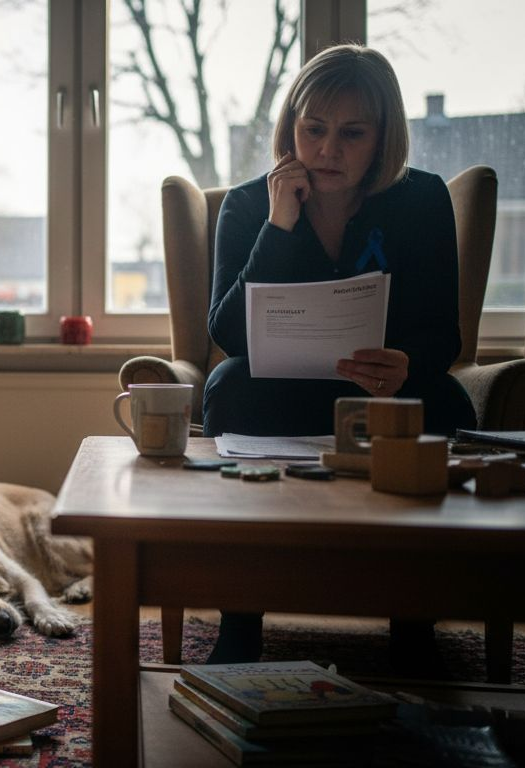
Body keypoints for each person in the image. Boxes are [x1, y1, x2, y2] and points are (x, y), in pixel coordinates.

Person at [202, 45, 475, 675]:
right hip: (279, 393)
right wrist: (279, 226)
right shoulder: (249, 205)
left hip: (381, 395)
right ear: (291, 127)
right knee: (228, 384)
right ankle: (240, 621)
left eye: (352, 133)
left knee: (447, 399)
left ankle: (414, 625)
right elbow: (228, 333)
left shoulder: (422, 199)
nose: (328, 150)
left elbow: (444, 335)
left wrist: (408, 363)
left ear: (383, 138)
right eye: (314, 129)